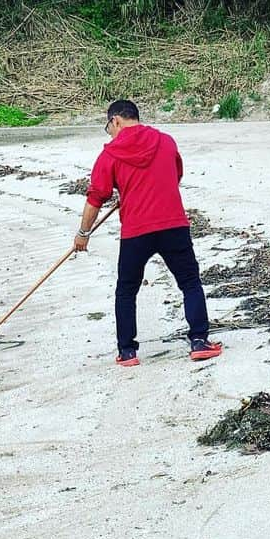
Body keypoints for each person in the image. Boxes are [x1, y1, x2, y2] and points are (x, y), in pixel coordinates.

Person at [73, 99, 222, 367]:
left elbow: (96, 197)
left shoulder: (110, 155)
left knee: (126, 291)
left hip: (136, 231)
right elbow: (174, 176)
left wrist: (83, 233)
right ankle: (199, 341)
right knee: (189, 282)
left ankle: (127, 351)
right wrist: (138, 189)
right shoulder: (166, 142)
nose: (110, 133)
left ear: (116, 120)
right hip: (173, 225)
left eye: (109, 127)